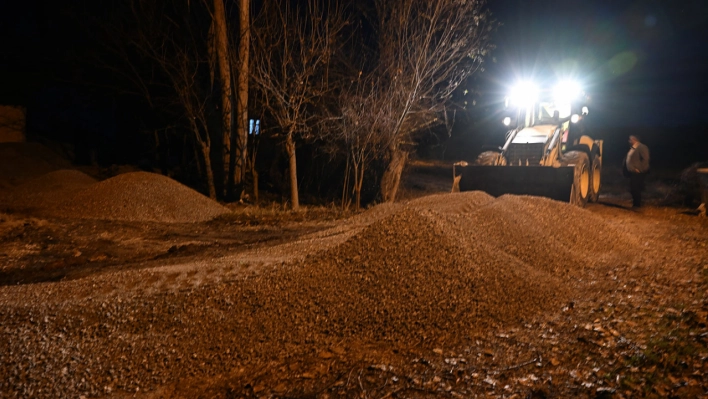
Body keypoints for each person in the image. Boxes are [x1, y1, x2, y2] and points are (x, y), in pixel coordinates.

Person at [622, 135, 650, 208]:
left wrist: (640, 169)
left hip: (638, 172)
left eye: (630, 139)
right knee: (633, 188)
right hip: (632, 172)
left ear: (634, 140)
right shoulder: (633, 148)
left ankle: (637, 204)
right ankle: (635, 203)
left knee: (635, 188)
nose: (629, 141)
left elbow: (645, 159)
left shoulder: (642, 147)